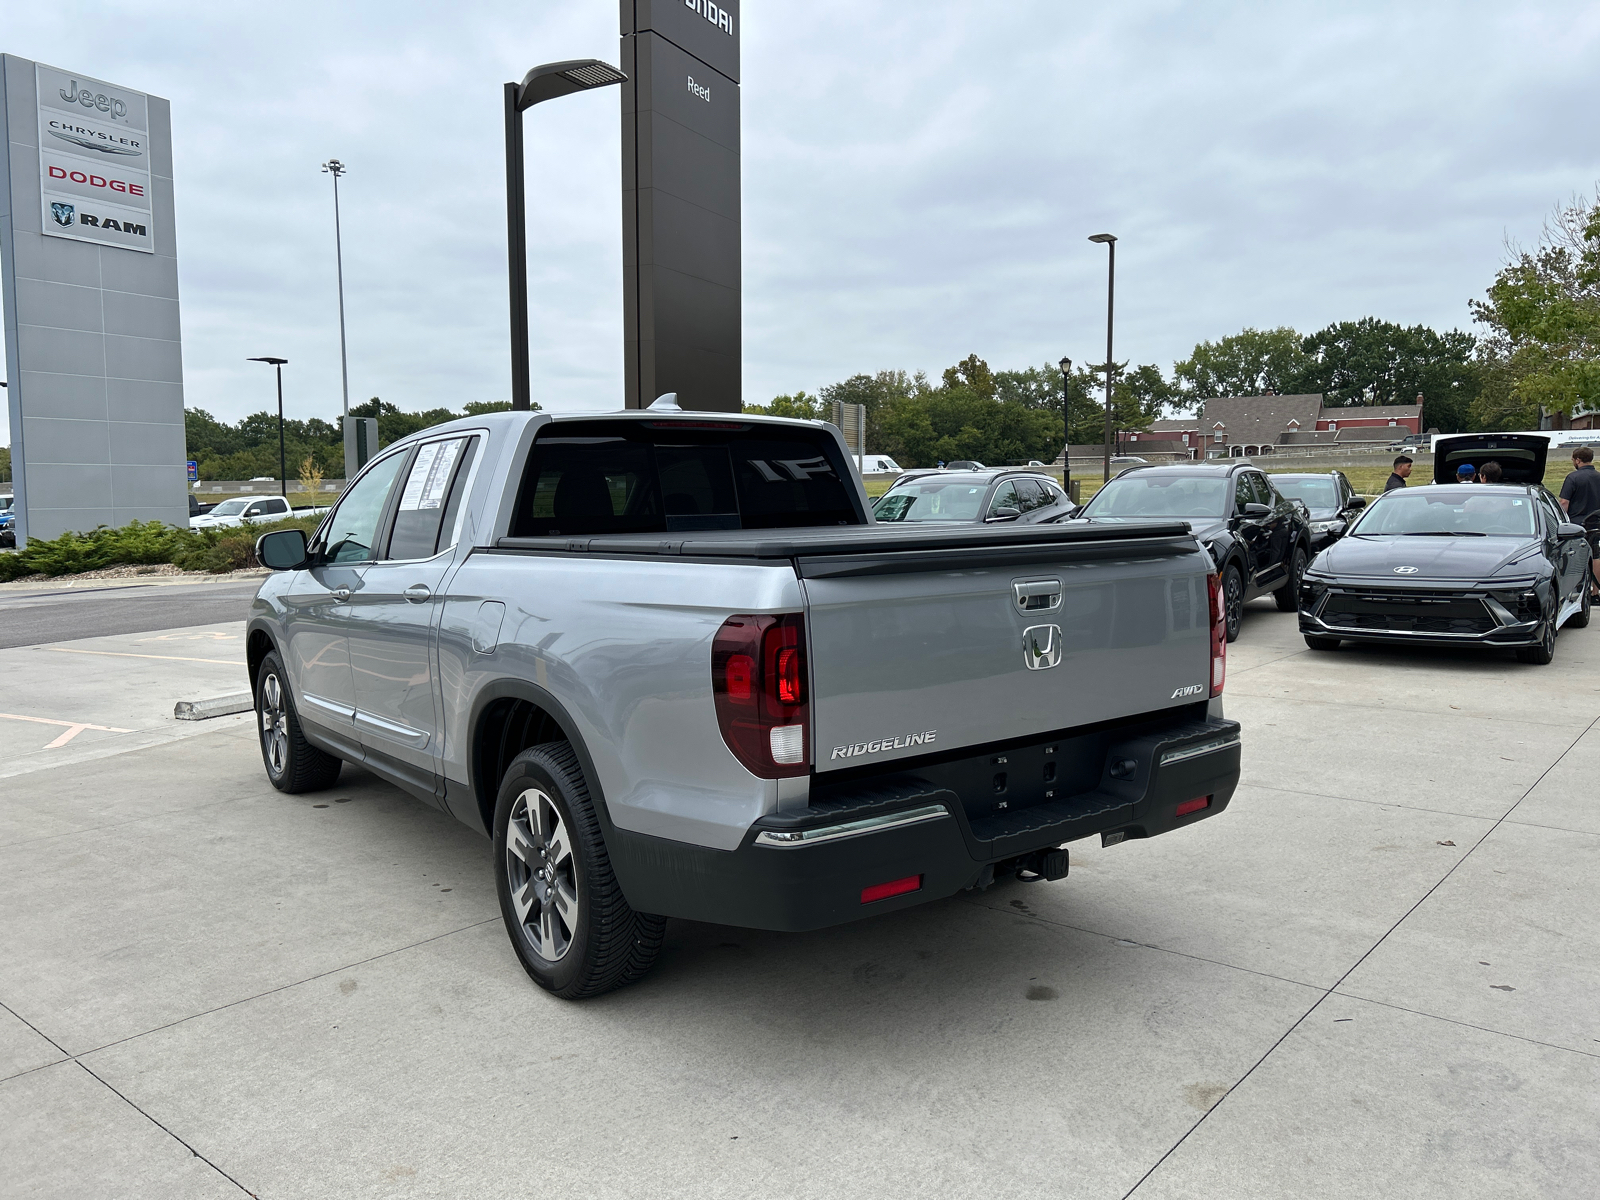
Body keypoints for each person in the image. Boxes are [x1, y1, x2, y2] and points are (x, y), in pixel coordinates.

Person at [1558, 446, 1600, 596]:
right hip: (1597, 523)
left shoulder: (1573, 478)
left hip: (1577, 525)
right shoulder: (1598, 476)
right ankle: (1596, 592)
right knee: (1596, 556)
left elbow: (1564, 502)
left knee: (1576, 557)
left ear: (1578, 460)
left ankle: (1577, 592)